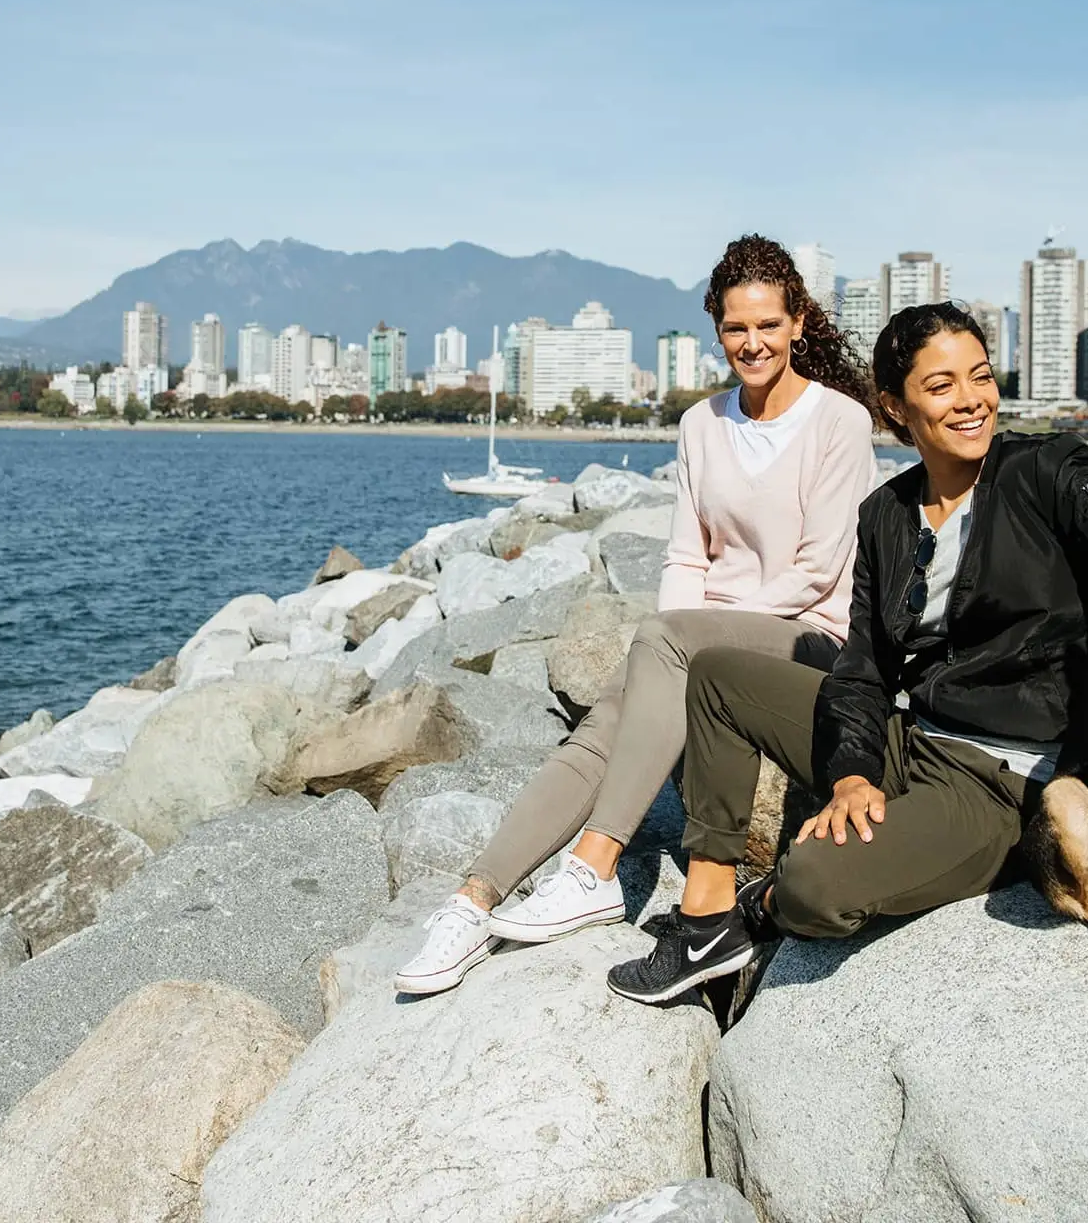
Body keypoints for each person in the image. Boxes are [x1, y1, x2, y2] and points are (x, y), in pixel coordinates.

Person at [395, 234, 877, 995]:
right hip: (706, 637)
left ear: (798, 325)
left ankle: (594, 865)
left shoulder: (839, 422)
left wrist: (687, 639)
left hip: (808, 634)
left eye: (767, 326)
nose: (752, 343)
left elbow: (819, 571)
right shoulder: (701, 425)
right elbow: (686, 556)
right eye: (735, 328)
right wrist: (684, 641)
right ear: (717, 330)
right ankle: (472, 900)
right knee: (606, 724)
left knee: (661, 646)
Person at [606, 301, 1088, 1005]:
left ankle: (757, 911)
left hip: (999, 783)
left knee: (813, 886)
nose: (971, 401)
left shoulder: (1042, 473)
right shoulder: (887, 514)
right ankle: (706, 918)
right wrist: (852, 775)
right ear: (895, 405)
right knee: (715, 675)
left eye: (980, 377)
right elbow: (863, 669)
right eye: (941, 385)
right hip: (912, 739)